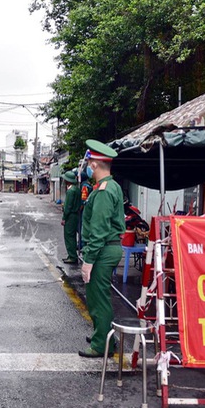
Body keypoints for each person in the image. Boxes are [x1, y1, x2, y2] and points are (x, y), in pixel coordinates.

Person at [78, 139, 125, 358]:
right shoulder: (107, 187)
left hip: (103, 250)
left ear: (95, 164)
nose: (87, 166)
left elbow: (98, 231)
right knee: (98, 295)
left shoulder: (105, 191)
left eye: (88, 162)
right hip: (106, 249)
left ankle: (101, 345)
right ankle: (103, 334)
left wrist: (88, 260)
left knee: (98, 298)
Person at [61, 170, 81, 264]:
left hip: (70, 216)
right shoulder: (77, 189)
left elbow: (68, 206)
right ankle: (72, 255)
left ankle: (72, 256)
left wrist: (64, 218)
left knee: (69, 236)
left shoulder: (70, 191)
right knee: (73, 235)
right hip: (76, 214)